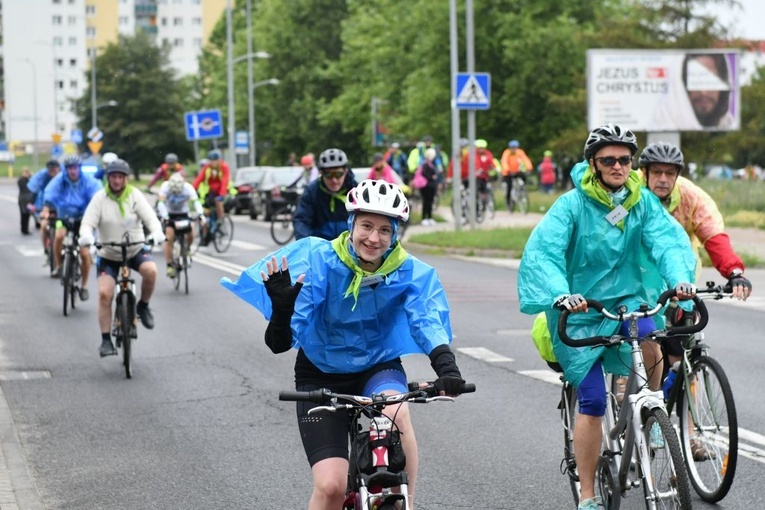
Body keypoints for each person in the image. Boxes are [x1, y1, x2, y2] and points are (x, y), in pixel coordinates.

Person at [221, 179, 467, 510]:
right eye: (366, 226)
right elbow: (279, 344)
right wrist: (282, 311)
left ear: (395, 234)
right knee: (331, 487)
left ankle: (406, 500)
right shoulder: (319, 260)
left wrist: (447, 367)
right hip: (320, 373)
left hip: (378, 366)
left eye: (384, 230)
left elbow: (427, 319)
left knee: (398, 412)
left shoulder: (408, 271)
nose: (374, 238)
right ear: (351, 224)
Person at [517, 123, 698, 510]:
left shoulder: (641, 201)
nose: (618, 166)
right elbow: (545, 253)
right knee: (595, 400)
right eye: (608, 160)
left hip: (628, 304)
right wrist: (560, 294)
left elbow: (666, 241)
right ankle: (587, 494)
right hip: (582, 310)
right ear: (593, 164)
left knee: (652, 346)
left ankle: (649, 412)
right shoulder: (571, 205)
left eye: (624, 159)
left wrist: (680, 279)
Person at [78, 159, 165, 358]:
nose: (117, 181)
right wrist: (86, 236)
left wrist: (157, 231)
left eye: (120, 177)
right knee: (104, 294)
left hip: (134, 249)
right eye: (113, 177)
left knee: (151, 271)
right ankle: (106, 340)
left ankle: (142, 306)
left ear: (126, 179)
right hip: (108, 253)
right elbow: (87, 222)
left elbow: (150, 218)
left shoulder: (134, 195)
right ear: (108, 178)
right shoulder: (100, 198)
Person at [40, 155, 102, 301]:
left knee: (85, 253)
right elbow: (50, 193)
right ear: (66, 170)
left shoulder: (88, 181)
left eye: (75, 168)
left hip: (84, 219)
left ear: (79, 169)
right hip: (64, 217)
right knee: (59, 236)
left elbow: (98, 195)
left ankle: (85, 286)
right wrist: (46, 209)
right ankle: (60, 266)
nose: (72, 171)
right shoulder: (60, 180)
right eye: (69, 168)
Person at [292, 148, 358, 240]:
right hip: (320, 248)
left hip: (349, 247)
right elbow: (301, 221)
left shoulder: (356, 190)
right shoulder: (311, 191)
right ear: (321, 173)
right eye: (328, 175)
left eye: (338, 174)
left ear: (346, 172)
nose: (334, 180)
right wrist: (308, 245)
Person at [156, 173, 205, 278]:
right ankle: (169, 264)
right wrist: (164, 216)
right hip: (170, 214)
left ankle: (187, 249)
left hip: (184, 214)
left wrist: (200, 214)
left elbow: (196, 202)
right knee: (169, 238)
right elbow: (160, 203)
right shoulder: (165, 186)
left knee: (191, 230)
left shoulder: (188, 188)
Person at [192, 149, 231, 244]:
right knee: (205, 212)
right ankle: (205, 236)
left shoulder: (224, 167)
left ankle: (220, 220)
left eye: (215, 160)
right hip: (211, 191)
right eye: (211, 160)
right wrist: (192, 190)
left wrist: (221, 195)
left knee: (218, 202)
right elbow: (199, 179)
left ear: (219, 160)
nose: (213, 163)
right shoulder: (207, 167)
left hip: (222, 191)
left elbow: (224, 182)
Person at [27, 160, 61, 250]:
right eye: (50, 170)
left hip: (62, 207)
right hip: (48, 206)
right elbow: (35, 190)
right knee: (43, 226)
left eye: (54, 169)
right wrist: (30, 203)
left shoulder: (64, 178)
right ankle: (45, 249)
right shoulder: (43, 177)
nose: (52, 172)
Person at [500, 140, 533, 208]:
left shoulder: (520, 152)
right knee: (509, 187)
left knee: (524, 177)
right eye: (512, 147)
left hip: (517, 171)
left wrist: (529, 167)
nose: (514, 149)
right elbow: (504, 162)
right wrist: (507, 170)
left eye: (515, 147)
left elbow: (525, 160)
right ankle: (508, 202)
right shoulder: (506, 153)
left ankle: (522, 190)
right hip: (508, 172)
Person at [417, 148, 440, 226]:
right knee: (426, 202)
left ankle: (429, 218)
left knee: (430, 202)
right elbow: (424, 173)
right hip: (426, 186)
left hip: (430, 186)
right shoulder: (425, 164)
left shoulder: (430, 163)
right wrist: (432, 177)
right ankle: (424, 218)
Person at [17, 167, 34, 235]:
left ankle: (25, 229)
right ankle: (24, 229)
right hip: (24, 200)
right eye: (25, 172)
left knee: (27, 214)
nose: (27, 173)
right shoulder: (22, 180)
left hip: (27, 200)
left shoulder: (27, 180)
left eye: (27, 172)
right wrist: (29, 176)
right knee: (24, 214)